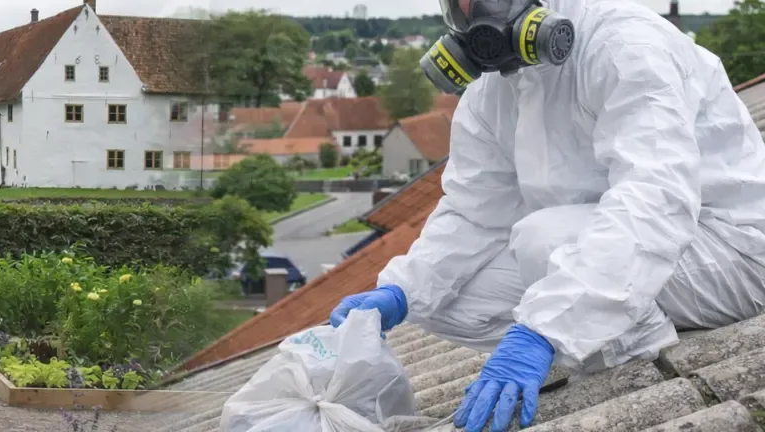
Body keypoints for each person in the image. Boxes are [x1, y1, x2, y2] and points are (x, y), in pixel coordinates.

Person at [328, 0, 765, 430]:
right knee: (445, 302)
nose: (471, 10)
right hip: (613, 249)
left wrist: (541, 332)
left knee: (544, 238)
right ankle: (595, 327)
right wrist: (402, 291)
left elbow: (655, 199)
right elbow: (474, 213)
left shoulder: (622, 44)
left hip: (729, 250)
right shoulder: (492, 93)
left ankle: (638, 367)